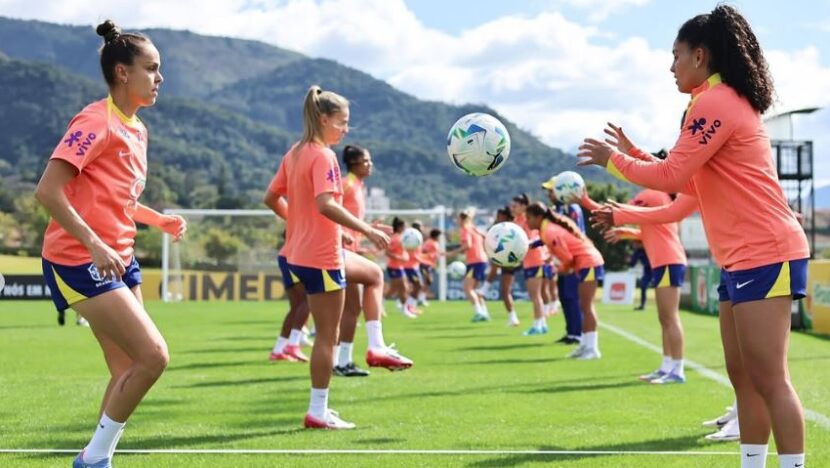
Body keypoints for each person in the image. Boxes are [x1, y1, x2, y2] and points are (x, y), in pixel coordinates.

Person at [578, 5, 809, 465]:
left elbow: (670, 175)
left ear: (700, 56)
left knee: (769, 378)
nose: (671, 66)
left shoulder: (716, 103)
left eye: (675, 55)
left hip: (766, 252)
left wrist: (613, 161)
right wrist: (636, 154)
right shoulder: (706, 102)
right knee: (742, 377)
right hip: (740, 258)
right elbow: (687, 183)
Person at [35, 20, 185, 467]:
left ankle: (97, 458)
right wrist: (95, 244)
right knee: (154, 356)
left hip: (120, 259)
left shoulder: (137, 129)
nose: (159, 79)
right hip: (79, 260)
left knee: (127, 369)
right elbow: (48, 191)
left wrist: (155, 218)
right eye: (152, 69)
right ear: (123, 73)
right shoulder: (94, 120)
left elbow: (119, 198)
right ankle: (93, 459)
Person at [269, 85, 392, 430]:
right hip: (321, 258)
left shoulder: (295, 152)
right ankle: (318, 411)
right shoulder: (322, 156)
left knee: (372, 275)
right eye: (342, 122)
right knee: (327, 335)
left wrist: (301, 222)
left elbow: (271, 197)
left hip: (302, 253)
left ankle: (378, 346)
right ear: (324, 119)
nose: (345, 129)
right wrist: (366, 230)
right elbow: (326, 204)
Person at [587, 189, 689, 384]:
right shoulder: (661, 196)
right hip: (665, 261)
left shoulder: (652, 194)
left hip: (668, 261)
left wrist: (584, 200)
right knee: (665, 318)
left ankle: (677, 369)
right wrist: (626, 233)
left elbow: (614, 212)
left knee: (670, 317)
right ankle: (667, 366)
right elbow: (650, 232)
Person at [334, 144, 414, 376]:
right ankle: (355, 355)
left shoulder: (357, 186)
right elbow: (329, 211)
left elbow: (348, 220)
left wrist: (368, 230)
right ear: (354, 164)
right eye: (366, 161)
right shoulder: (346, 183)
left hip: (349, 251)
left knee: (352, 308)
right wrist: (343, 234)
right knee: (351, 303)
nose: (370, 165)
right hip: (336, 252)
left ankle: (343, 361)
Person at [526, 202, 604, 360]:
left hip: (589, 262)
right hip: (586, 262)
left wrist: (560, 267)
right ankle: (585, 345)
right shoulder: (546, 229)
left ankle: (592, 348)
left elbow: (567, 257)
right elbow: (546, 242)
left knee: (586, 306)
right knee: (584, 305)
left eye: (529, 217)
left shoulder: (549, 231)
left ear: (539, 217)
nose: (527, 221)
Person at [263, 197, 310, 364]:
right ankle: (293, 344)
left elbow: (285, 233)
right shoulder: (307, 209)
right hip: (294, 257)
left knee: (297, 306)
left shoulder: (300, 210)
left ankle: (279, 349)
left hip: (287, 256)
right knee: (307, 300)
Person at [541, 177, 582, 345]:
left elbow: (575, 233)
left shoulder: (571, 208)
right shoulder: (556, 209)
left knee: (572, 297)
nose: (549, 194)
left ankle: (578, 334)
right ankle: (571, 332)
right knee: (564, 296)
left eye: (552, 191)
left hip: (574, 259)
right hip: (562, 260)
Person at [511, 194, 549, 335]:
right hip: (528, 261)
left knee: (535, 295)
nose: (512, 208)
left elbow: (536, 237)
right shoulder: (517, 221)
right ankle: (542, 324)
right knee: (534, 294)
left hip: (536, 259)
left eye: (515, 206)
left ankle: (537, 325)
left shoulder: (528, 220)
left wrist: (527, 243)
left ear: (523, 206)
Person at [448, 209, 490, 322]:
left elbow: (468, 245)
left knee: (467, 288)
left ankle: (479, 312)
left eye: (458, 218)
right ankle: (484, 313)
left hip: (475, 261)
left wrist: (452, 253)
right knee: (475, 290)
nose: (457, 221)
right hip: (482, 260)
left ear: (461, 219)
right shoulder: (474, 229)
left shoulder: (465, 229)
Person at [386, 217, 417, 318]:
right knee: (402, 288)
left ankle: (381, 301)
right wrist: (400, 257)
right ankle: (405, 310)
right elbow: (387, 252)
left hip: (399, 267)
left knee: (398, 289)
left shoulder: (401, 238)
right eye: (404, 226)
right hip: (394, 267)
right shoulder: (395, 239)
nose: (406, 228)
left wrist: (405, 257)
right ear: (399, 227)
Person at [419, 228, 443, 306]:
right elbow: (423, 251)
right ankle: (420, 298)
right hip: (425, 264)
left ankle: (421, 298)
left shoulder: (435, 243)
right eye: (439, 236)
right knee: (428, 280)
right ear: (436, 236)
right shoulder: (429, 243)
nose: (439, 238)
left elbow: (435, 253)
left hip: (430, 264)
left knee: (428, 281)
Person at [629, 242, 651, 310]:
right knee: (643, 285)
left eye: (635, 243)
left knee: (661, 287)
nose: (634, 245)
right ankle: (642, 305)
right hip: (647, 270)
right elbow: (632, 264)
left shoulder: (649, 248)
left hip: (656, 268)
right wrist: (628, 261)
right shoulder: (637, 252)